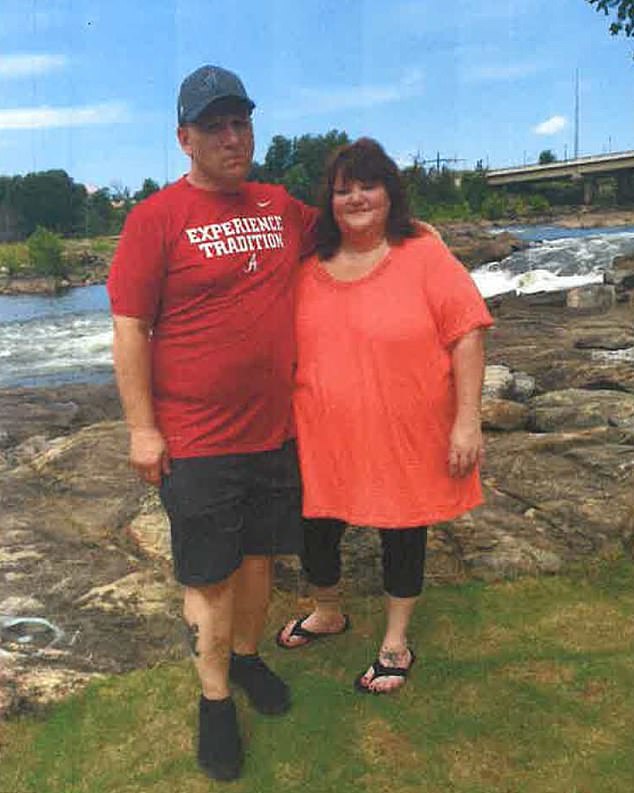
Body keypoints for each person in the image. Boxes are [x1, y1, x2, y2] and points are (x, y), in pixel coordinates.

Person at [107, 65, 317, 781]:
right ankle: (216, 700)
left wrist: (422, 240)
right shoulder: (155, 218)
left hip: (274, 430)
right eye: (216, 126)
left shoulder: (282, 206)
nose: (234, 137)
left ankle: (249, 659)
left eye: (242, 122)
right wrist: (143, 429)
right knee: (211, 574)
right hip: (196, 438)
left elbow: (360, 228)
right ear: (184, 139)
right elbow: (130, 328)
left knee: (260, 561)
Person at [277, 138, 494, 694]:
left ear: (389, 193)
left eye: (368, 186)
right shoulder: (305, 268)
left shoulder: (423, 253)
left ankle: (395, 641)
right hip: (323, 436)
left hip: (407, 433)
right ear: (328, 200)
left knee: (402, 531)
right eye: (343, 189)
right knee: (315, 529)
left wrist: (466, 419)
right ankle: (328, 611)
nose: (355, 198)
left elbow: (466, 332)